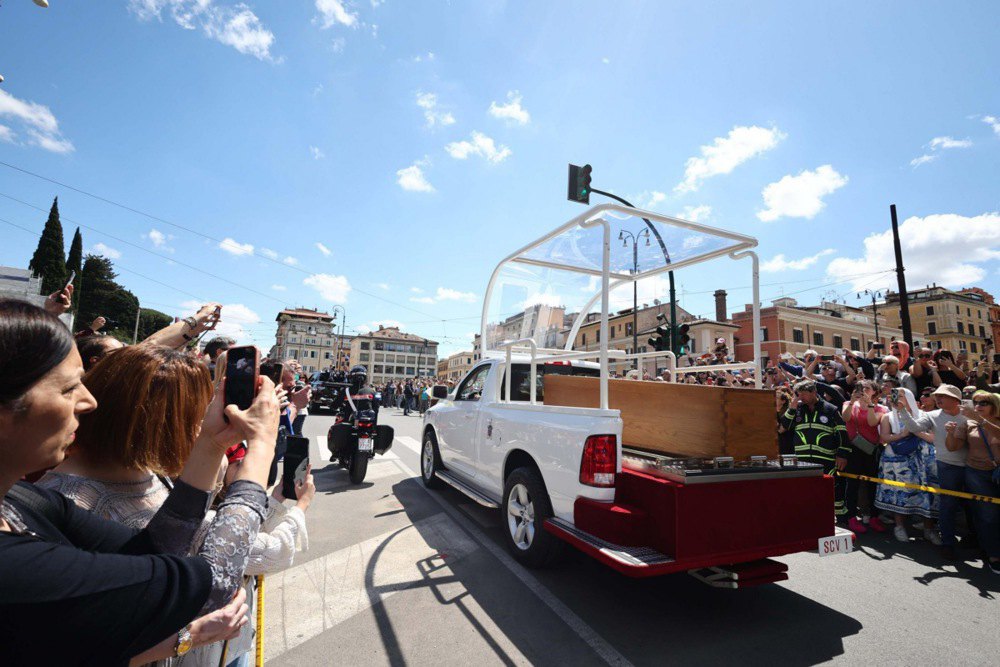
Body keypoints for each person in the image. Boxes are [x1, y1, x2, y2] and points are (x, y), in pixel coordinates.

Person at [0, 299, 279, 665]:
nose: (90, 401)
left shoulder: (23, 501)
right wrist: (260, 450)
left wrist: (212, 443)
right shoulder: (16, 564)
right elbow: (210, 584)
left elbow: (155, 548)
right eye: (69, 389)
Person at [896, 384, 969, 558]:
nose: (938, 398)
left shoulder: (970, 414)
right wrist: (902, 411)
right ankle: (948, 543)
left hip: (975, 466)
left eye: (942, 395)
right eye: (937, 396)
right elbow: (914, 427)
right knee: (948, 506)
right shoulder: (932, 415)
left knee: (976, 507)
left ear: (956, 399)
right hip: (947, 465)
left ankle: (981, 544)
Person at [779, 379, 851, 521]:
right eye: (798, 395)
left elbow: (842, 433)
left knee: (832, 489)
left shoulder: (830, 409)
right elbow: (784, 426)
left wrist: (842, 454)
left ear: (814, 392)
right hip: (802, 460)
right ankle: (810, 519)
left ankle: (840, 521)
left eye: (803, 394)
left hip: (826, 460)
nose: (801, 398)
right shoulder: (797, 409)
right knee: (806, 490)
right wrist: (792, 408)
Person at [945, 390, 1000, 574]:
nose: (978, 406)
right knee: (987, 515)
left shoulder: (994, 422)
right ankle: (993, 555)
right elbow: (953, 447)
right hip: (976, 474)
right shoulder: (968, 423)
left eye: (984, 403)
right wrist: (951, 433)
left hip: (997, 470)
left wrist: (982, 421)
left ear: (994, 405)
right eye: (975, 402)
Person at [876, 387, 939, 543]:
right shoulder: (888, 417)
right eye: (895, 395)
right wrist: (902, 435)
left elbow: (933, 438)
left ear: (910, 397)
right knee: (901, 493)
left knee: (928, 493)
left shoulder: (925, 416)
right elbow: (884, 437)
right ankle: (899, 526)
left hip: (924, 461)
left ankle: (929, 529)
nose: (897, 397)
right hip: (898, 461)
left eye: (902, 395)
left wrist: (914, 430)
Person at [840, 380, 888, 534]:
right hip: (853, 450)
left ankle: (874, 516)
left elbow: (872, 422)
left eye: (866, 388)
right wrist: (853, 402)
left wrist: (870, 406)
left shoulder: (881, 408)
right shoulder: (848, 403)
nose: (862, 391)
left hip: (870, 450)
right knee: (852, 484)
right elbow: (846, 418)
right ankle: (851, 517)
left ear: (874, 391)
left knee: (872, 485)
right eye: (859, 388)